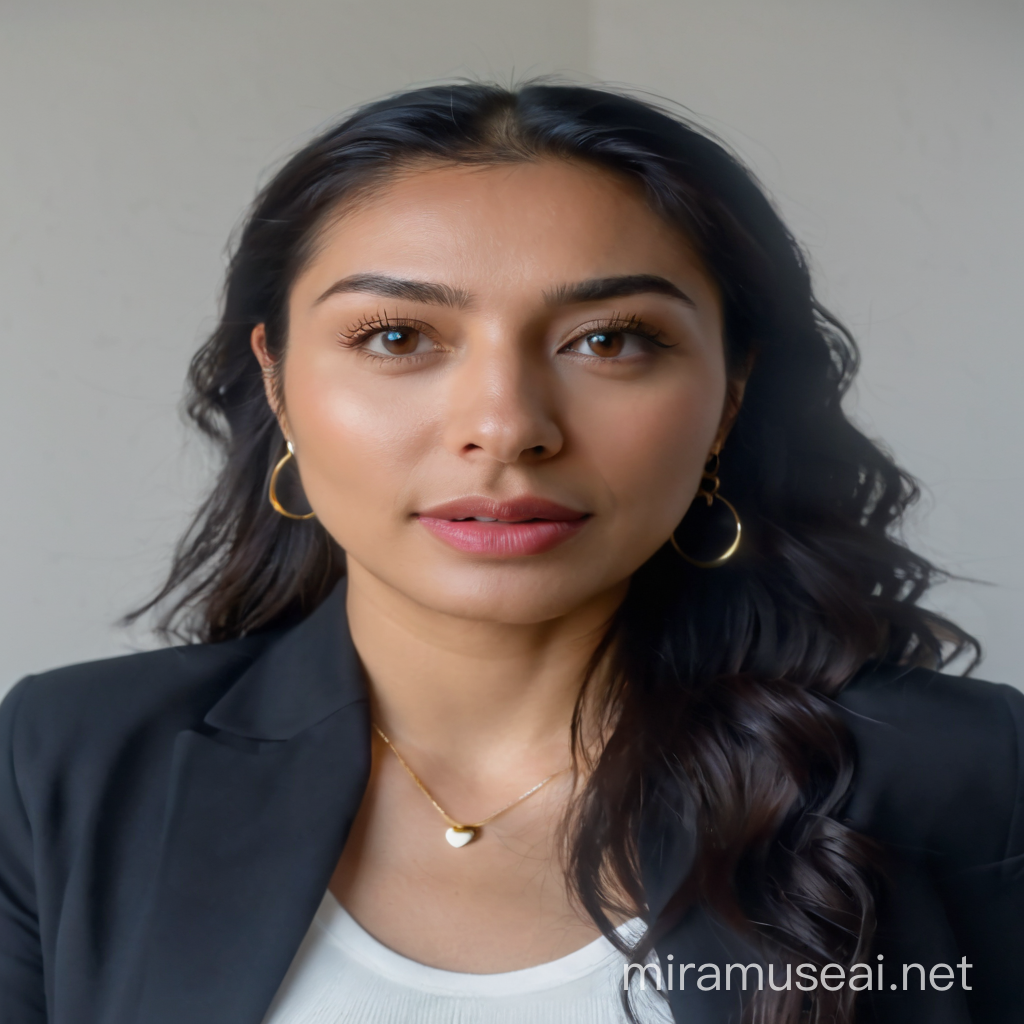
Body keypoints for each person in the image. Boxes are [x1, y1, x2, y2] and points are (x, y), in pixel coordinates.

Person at [1, 82, 1021, 1024]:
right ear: (276, 382)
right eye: (398, 337)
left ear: (730, 392)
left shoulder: (962, 772)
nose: (505, 426)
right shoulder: (64, 760)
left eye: (610, 339)